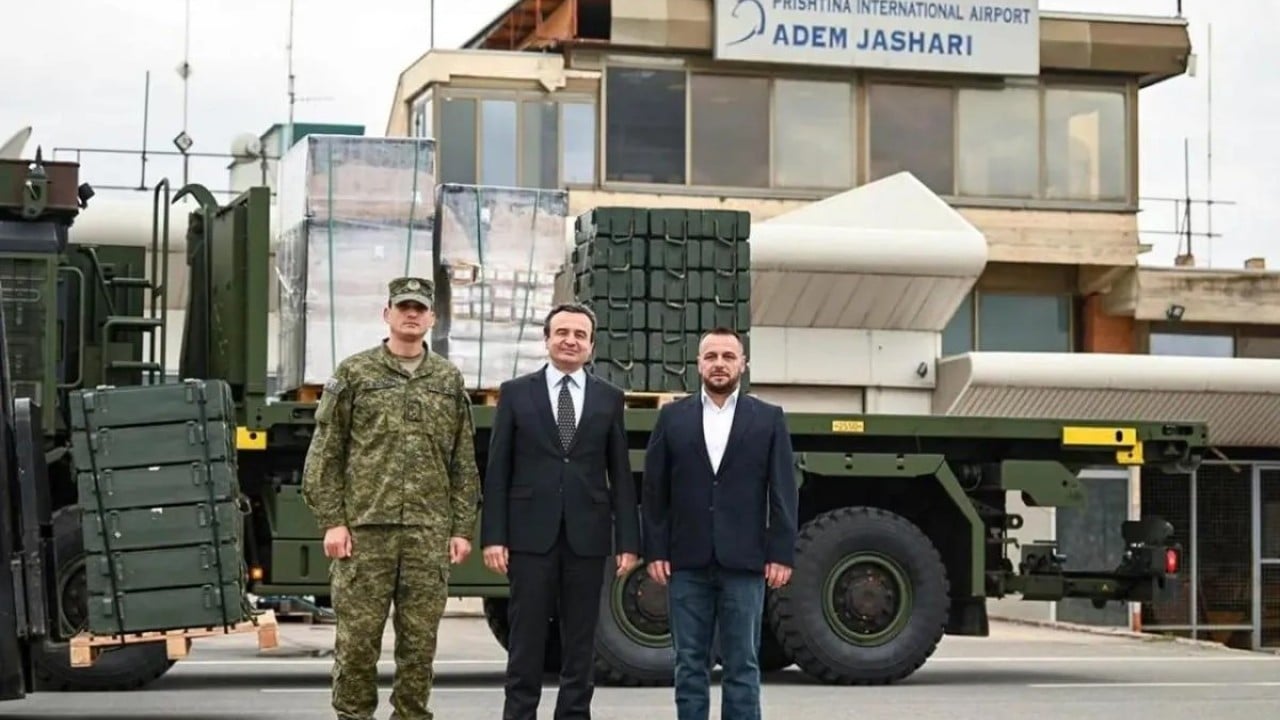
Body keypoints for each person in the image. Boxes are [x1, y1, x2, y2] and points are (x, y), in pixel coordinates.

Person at [301, 276, 481, 720]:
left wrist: (461, 528)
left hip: (427, 535)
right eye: (403, 307)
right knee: (357, 644)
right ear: (387, 315)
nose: (412, 314)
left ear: (432, 319)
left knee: (419, 650)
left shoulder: (447, 378)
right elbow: (326, 452)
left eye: (420, 308)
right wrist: (332, 520)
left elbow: (463, 460)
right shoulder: (355, 373)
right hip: (366, 534)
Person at [481, 302, 642, 720]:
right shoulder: (516, 393)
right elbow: (497, 470)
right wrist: (494, 535)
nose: (570, 340)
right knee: (527, 638)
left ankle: (573, 714)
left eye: (580, 335)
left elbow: (620, 474)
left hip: (587, 538)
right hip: (530, 536)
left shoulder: (609, 398)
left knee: (581, 641)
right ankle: (519, 714)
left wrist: (627, 540)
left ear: (591, 345)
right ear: (547, 339)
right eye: (562, 332)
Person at [641, 327, 799, 720]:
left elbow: (783, 492)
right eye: (711, 356)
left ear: (742, 364)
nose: (719, 364)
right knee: (689, 664)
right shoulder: (672, 418)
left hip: (744, 562)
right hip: (687, 562)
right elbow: (654, 491)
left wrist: (781, 552)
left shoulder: (768, 419)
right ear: (698, 364)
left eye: (728, 356)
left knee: (742, 663)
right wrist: (655, 549)